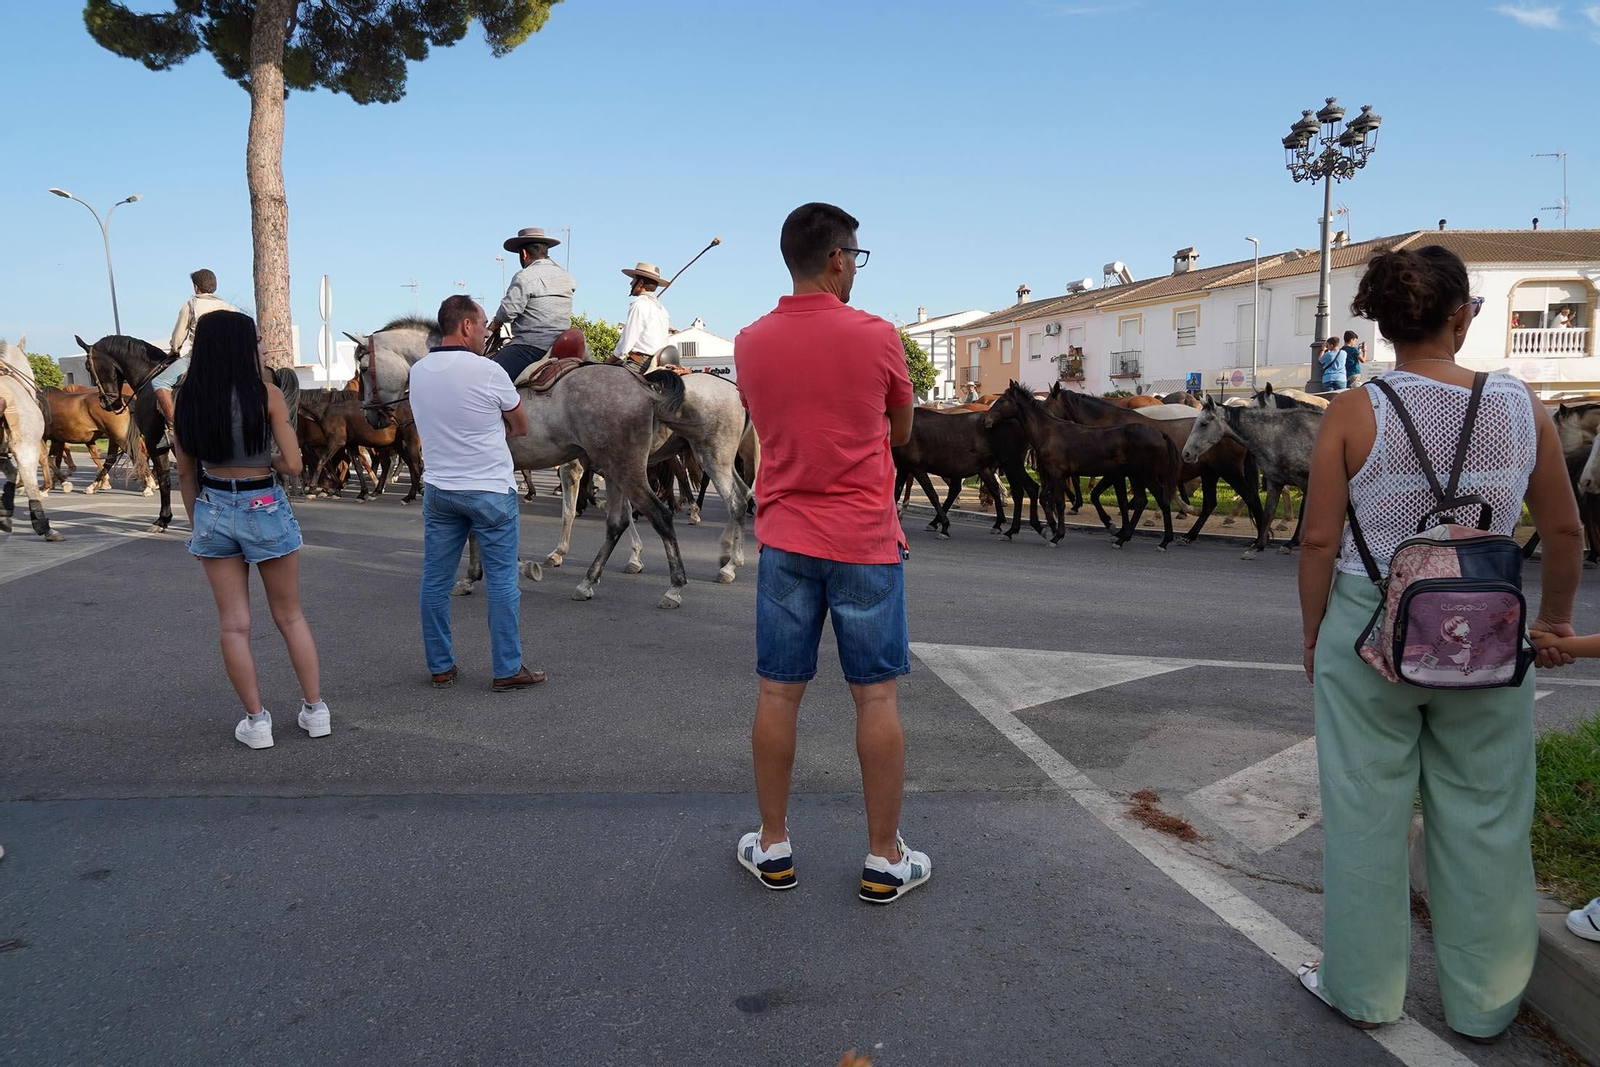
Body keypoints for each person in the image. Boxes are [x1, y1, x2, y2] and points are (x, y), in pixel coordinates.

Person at [1295, 245, 1582, 1041]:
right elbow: (1562, 529)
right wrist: (1553, 621)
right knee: (1489, 813)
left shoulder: (1355, 410)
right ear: (1464, 316)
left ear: (1383, 325)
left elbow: (1318, 541)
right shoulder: (1522, 406)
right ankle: (1485, 1004)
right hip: (1488, 632)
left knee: (1365, 811)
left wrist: (1316, 631)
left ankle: (1363, 990)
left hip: (1368, 624)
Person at [733, 202, 927, 904]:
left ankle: (775, 844)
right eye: (856, 259)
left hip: (785, 537)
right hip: (865, 540)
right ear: (839, 259)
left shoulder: (750, 341)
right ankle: (883, 857)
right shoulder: (877, 335)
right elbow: (901, 429)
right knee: (874, 694)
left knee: (777, 691)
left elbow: (768, 423)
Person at [172, 310, 328, 750]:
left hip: (212, 508)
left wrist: (198, 525)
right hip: (263, 503)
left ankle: (256, 723)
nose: (263, 347)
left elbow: (186, 474)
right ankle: (315, 712)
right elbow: (295, 465)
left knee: (234, 625)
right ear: (241, 347)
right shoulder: (268, 395)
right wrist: (267, 461)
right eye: (257, 341)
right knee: (290, 615)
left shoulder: (188, 399)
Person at [409, 294, 544, 693]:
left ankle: (441, 667)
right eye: (483, 325)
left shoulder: (418, 371)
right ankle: (507, 668)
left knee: (435, 581)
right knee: (502, 582)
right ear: (466, 326)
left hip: (440, 490)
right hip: (489, 491)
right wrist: (491, 431)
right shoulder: (489, 371)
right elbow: (520, 426)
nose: (487, 333)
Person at [155, 269, 239, 433]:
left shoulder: (191, 304)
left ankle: (175, 428)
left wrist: (174, 350)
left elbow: (179, 335)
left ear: (195, 287)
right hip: (228, 358)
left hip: (200, 357)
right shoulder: (229, 308)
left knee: (159, 382)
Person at [487, 227, 575, 383]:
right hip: (563, 346)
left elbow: (508, 312)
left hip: (531, 347)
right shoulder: (566, 276)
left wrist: (495, 324)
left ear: (524, 254)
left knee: (486, 379)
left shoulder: (524, 276)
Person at [611, 261, 673, 368]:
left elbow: (627, 341)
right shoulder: (663, 309)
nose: (630, 283)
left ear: (640, 283)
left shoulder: (639, 304)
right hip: (660, 362)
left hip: (641, 363)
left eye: (633, 279)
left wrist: (609, 360)